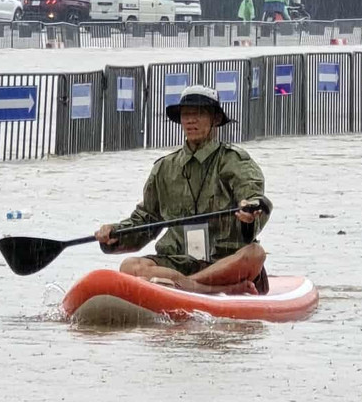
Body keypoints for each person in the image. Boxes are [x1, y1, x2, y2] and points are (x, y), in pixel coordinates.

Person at [95, 86, 272, 296]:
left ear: (215, 119)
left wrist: (249, 211)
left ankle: (185, 285)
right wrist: (115, 233)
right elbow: (146, 219)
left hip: (224, 260)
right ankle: (210, 288)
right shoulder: (164, 167)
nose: (190, 121)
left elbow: (254, 197)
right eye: (186, 115)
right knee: (129, 266)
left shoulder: (234, 161)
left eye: (199, 114)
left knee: (255, 253)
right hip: (177, 261)